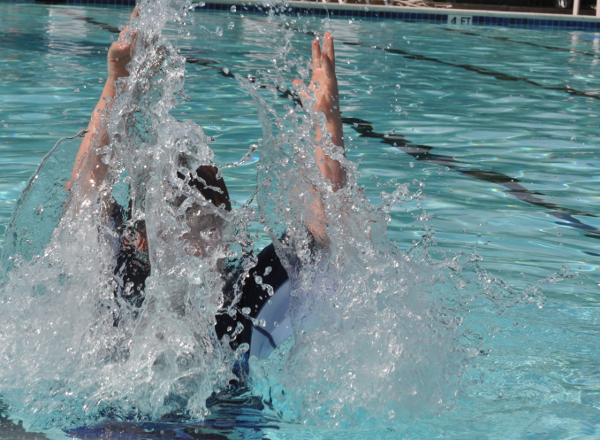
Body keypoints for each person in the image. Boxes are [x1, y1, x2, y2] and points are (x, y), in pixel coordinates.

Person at [68, 9, 346, 365]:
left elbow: (321, 237)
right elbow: (85, 194)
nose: (202, 248)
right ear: (141, 235)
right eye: (186, 228)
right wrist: (117, 85)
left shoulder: (243, 294)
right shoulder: (119, 279)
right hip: (109, 419)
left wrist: (328, 128)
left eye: (211, 227)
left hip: (222, 420)